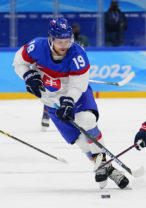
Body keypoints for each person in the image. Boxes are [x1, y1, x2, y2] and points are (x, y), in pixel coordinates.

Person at [12, 17, 129, 189]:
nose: (64, 45)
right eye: (60, 41)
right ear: (51, 39)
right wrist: (28, 76)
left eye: (67, 40)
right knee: (81, 141)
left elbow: (78, 85)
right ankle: (107, 167)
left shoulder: (78, 55)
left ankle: (102, 165)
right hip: (51, 101)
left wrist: (69, 101)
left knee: (87, 121)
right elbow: (18, 63)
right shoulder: (36, 46)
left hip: (77, 95)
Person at [40, 22, 90, 131]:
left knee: (72, 92)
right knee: (52, 90)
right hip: (55, 72)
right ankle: (46, 113)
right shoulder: (52, 44)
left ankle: (76, 115)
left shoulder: (77, 44)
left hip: (67, 73)